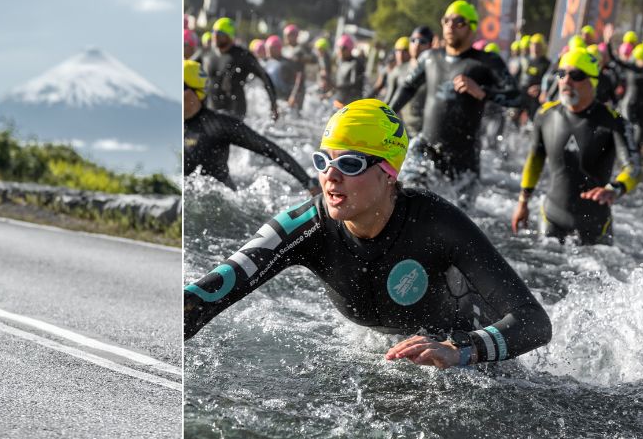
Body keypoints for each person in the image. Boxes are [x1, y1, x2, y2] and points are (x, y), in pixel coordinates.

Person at [184, 99, 552, 368]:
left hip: (476, 359)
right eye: (323, 161)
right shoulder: (306, 227)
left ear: (388, 172)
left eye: (349, 163)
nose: (330, 176)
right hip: (394, 354)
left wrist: (460, 350)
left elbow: (534, 322)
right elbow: (207, 294)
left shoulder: (436, 222)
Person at [511, 49, 641, 246]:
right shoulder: (545, 115)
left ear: (593, 81)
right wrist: (523, 202)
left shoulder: (614, 122)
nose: (566, 80)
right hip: (551, 217)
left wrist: (615, 189)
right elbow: (535, 159)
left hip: (595, 224)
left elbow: (634, 168)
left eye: (576, 75)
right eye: (561, 73)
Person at [388, 0, 521, 180]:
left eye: (459, 22)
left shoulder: (486, 61)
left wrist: (483, 92)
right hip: (426, 154)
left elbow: (517, 97)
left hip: (463, 163)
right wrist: (385, 115)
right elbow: (407, 88)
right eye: (446, 20)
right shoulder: (430, 58)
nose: (450, 25)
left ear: (472, 28)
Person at [183, 60, 316, 193]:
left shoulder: (219, 124)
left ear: (197, 91)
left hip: (220, 199)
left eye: (182, 87)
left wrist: (308, 182)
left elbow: (270, 149)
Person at [200, 17, 279, 121]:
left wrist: (273, 104)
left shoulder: (242, 55)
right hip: (211, 111)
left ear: (229, 36)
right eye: (213, 32)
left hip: (235, 113)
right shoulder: (207, 55)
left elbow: (264, 77)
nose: (215, 36)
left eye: (219, 33)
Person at [517, 34, 551, 119]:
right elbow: (518, 76)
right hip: (522, 94)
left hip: (535, 98)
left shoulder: (547, 63)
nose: (535, 48)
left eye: (538, 45)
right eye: (533, 45)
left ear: (543, 46)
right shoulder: (525, 60)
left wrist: (539, 88)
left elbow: (549, 80)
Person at [332, 34, 365, 107]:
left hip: (350, 103)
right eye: (338, 47)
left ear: (349, 49)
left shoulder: (355, 63)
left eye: (343, 48)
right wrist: (330, 92)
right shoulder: (340, 62)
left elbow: (354, 84)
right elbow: (339, 81)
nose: (340, 50)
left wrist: (336, 86)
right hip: (339, 99)